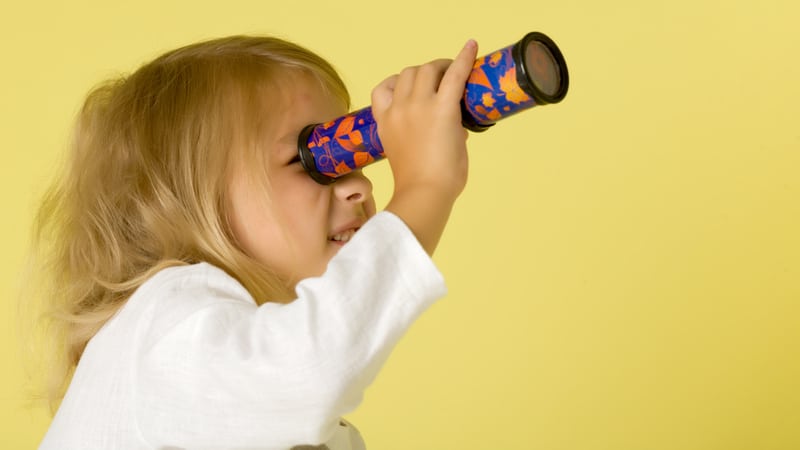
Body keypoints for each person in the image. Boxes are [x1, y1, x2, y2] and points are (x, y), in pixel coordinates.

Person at [27, 34, 478, 449]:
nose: (359, 187)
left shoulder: (252, 379)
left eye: (353, 159)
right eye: (314, 160)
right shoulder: (162, 324)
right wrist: (425, 185)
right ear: (191, 200)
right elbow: (310, 371)